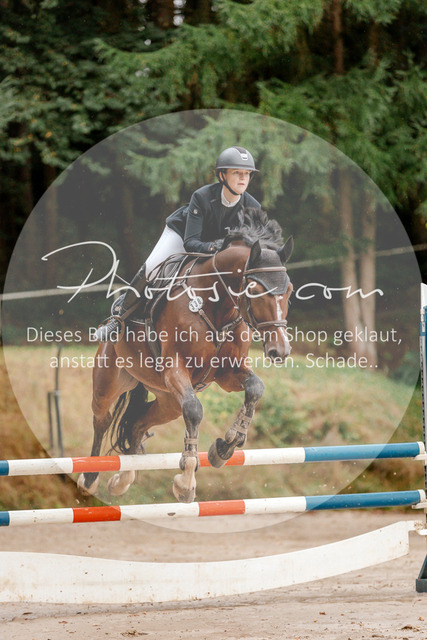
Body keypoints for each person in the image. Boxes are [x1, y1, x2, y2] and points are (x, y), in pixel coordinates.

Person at [95, 146, 261, 342]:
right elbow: (191, 243)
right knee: (152, 268)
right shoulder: (202, 196)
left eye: (247, 174)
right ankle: (117, 320)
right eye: (237, 173)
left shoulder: (253, 207)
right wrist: (215, 248)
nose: (243, 178)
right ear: (222, 175)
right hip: (182, 235)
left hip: (217, 251)